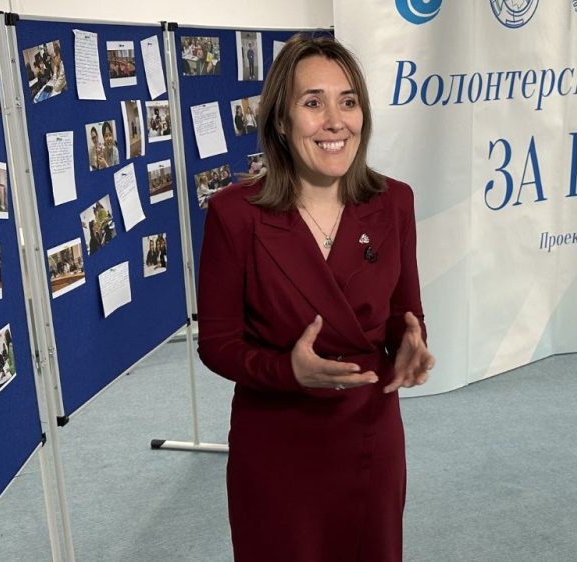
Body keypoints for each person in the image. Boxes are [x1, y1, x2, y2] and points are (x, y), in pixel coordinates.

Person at [197, 34, 434, 562]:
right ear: (281, 122)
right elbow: (216, 343)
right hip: (277, 440)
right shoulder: (235, 215)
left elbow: (404, 313)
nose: (335, 121)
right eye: (312, 103)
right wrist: (289, 371)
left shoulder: (394, 202)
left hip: (370, 434)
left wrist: (410, 343)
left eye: (348, 102)